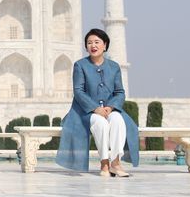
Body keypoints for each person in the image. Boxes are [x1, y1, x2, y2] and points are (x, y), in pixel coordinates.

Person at [56, 28, 139, 176]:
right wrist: (95, 108)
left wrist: (110, 107)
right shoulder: (80, 65)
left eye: (96, 42)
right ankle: (104, 163)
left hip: (109, 109)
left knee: (118, 120)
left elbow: (120, 92)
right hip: (85, 112)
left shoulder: (114, 67)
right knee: (100, 124)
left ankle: (116, 162)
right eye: (89, 43)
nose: (93, 45)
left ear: (105, 45)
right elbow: (79, 91)